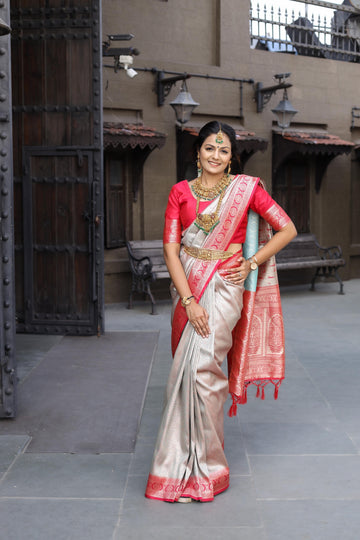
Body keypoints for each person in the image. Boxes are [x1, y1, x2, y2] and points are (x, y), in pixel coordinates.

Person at [145, 121, 297, 503]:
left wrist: (250, 263)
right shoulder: (180, 192)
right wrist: (189, 301)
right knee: (181, 375)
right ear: (198, 153)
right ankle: (176, 468)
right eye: (209, 149)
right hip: (188, 288)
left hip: (225, 289)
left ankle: (209, 468)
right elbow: (170, 249)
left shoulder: (245, 190)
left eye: (223, 150)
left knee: (205, 371)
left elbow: (286, 228)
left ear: (233, 158)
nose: (215, 156)